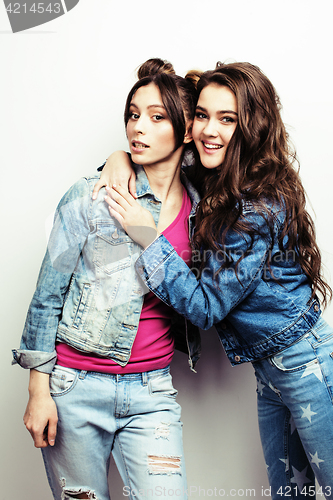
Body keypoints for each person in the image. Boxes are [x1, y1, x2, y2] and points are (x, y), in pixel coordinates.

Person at [100, 62, 333, 499]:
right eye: (202, 115)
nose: (210, 129)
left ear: (250, 126)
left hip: (307, 366)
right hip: (273, 372)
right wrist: (119, 157)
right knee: (291, 494)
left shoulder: (256, 207)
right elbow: (163, 153)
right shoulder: (219, 174)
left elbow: (206, 307)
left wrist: (148, 239)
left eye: (227, 119)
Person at [12, 58, 202, 500]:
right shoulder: (90, 194)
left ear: (186, 129)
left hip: (152, 390)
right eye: (134, 115)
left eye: (157, 118)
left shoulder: (204, 207)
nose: (138, 127)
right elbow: (47, 296)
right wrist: (38, 390)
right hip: (74, 387)